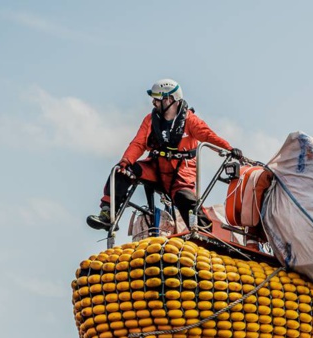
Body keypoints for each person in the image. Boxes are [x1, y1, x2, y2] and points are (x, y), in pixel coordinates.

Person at [86, 78, 243, 230]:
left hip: (181, 174)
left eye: (157, 99)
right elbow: (138, 143)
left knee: (185, 200)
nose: (154, 103)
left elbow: (208, 136)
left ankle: (204, 234)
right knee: (121, 172)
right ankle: (108, 214)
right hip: (155, 168)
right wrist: (126, 161)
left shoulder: (191, 120)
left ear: (169, 99)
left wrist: (228, 148)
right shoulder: (150, 120)